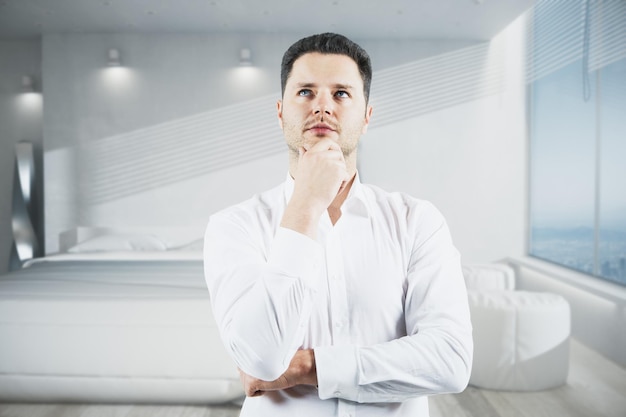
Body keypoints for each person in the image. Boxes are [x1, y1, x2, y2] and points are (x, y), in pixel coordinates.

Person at [203, 32, 473, 417]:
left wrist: (307, 367)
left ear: (366, 117)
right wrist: (306, 204)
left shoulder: (417, 221)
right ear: (280, 112)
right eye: (306, 92)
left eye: (342, 94)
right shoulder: (234, 226)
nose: (323, 107)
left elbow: (451, 360)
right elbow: (260, 361)